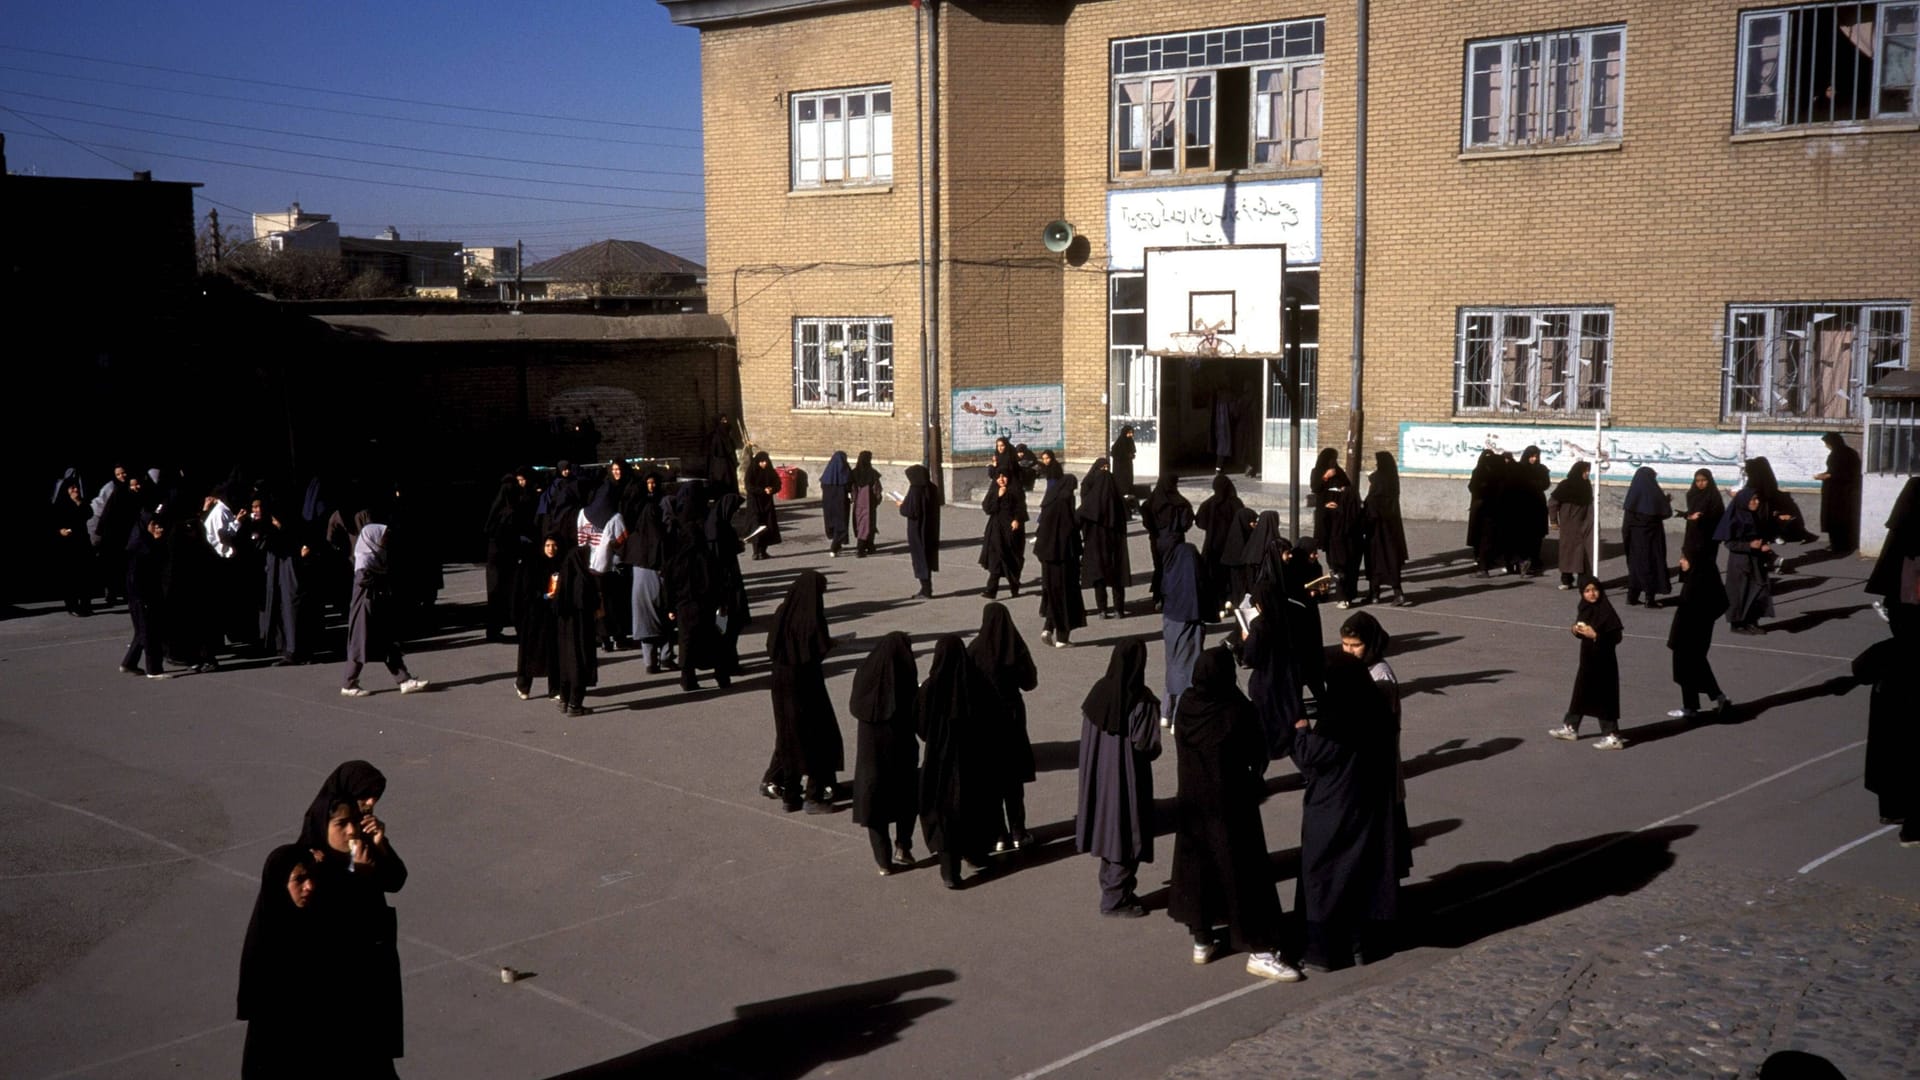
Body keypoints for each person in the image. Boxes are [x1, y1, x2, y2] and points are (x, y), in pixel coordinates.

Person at [1168, 645, 1300, 980]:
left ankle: (1202, 937)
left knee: (1200, 869)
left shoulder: (1187, 704)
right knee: (1244, 873)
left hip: (1193, 804)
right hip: (1231, 805)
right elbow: (1259, 750)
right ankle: (1259, 947)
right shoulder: (1235, 710)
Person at [1292, 653, 1404, 970]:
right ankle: (1358, 946)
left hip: (1333, 807)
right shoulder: (1375, 708)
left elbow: (1310, 759)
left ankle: (1322, 952)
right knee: (1356, 877)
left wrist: (1301, 731)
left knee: (1323, 878)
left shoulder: (1339, 720)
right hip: (1365, 804)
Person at [298, 781, 406, 1077]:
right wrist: (359, 878)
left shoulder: (359, 849)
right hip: (338, 1002)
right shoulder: (310, 870)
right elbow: (331, 929)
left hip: (370, 987)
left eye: (353, 823)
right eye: (341, 824)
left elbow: (396, 880)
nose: (351, 831)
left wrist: (380, 843)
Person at [1075, 640, 1162, 917]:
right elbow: (1146, 745)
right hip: (1128, 779)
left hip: (1101, 778)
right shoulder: (1142, 700)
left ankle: (1113, 888)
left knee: (1108, 830)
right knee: (1127, 832)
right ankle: (1115, 899)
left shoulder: (1099, 692)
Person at [916, 634, 1004, 888]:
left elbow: (920, 725)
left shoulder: (930, 688)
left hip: (939, 762)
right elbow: (994, 719)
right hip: (973, 761)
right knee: (974, 807)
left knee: (943, 812)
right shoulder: (978, 683)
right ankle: (975, 855)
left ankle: (949, 871)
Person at [236, 844, 327, 1080]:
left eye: (311, 877)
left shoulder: (311, 923)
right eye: (299, 880)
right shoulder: (266, 945)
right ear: (280, 884)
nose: (309, 886)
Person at [1858, 477, 1916, 844]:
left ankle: (1893, 808)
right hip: (1906, 664)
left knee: (1892, 744)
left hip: (1896, 672)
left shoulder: (1903, 549)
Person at [1339, 610, 1412, 880]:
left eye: (1355, 646)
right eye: (1345, 645)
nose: (1349, 651)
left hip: (1377, 769)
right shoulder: (1354, 670)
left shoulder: (1381, 677)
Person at [764, 570, 844, 812]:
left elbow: (771, 646)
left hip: (780, 683)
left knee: (789, 737)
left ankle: (790, 795)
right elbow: (817, 649)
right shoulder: (812, 617)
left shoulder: (782, 612)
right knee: (819, 738)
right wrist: (832, 645)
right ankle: (814, 796)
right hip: (807, 684)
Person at [968, 602, 1038, 853]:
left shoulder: (975, 649)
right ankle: (1019, 831)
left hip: (985, 722)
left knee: (992, 780)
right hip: (1012, 719)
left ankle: (998, 834)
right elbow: (1030, 682)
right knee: (1012, 780)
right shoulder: (1014, 647)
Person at [850, 631, 920, 874]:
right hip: (901, 751)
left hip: (870, 757)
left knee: (875, 807)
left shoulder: (864, 676)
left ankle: (883, 861)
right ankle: (904, 845)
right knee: (906, 800)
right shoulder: (904, 677)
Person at [340, 524, 428, 698]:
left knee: (384, 644)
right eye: (382, 537)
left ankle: (404, 680)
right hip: (366, 609)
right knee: (362, 644)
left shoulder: (374, 558)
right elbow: (363, 581)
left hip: (373, 608)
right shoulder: (365, 562)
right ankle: (349, 683)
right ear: (371, 539)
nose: (384, 540)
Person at [1547, 576, 1627, 749]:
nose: (1592, 594)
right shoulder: (1584, 607)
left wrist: (1597, 635)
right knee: (1581, 693)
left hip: (1604, 661)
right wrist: (1575, 630)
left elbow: (1616, 636)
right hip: (1588, 660)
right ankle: (1571, 727)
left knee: (1605, 697)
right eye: (1587, 591)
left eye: (1595, 590)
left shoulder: (1606, 610)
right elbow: (1582, 629)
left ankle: (1612, 735)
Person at [1241, 549, 1303, 757]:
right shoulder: (1285, 616)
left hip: (1266, 682)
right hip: (1287, 677)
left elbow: (1249, 657)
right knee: (1290, 720)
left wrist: (1245, 639)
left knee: (1265, 730)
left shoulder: (1259, 626)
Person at [1666, 549, 1733, 720]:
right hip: (1688, 632)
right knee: (1689, 667)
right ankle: (1692, 705)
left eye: (1684, 558)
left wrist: (1703, 618)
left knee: (1693, 666)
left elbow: (1720, 603)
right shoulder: (1696, 578)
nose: (1681, 562)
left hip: (1691, 633)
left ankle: (1716, 697)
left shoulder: (1700, 581)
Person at [1159, 539, 1210, 730]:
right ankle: (1180, 716)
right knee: (1188, 668)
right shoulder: (1193, 581)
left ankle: (1166, 711)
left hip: (1171, 619)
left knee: (1172, 665)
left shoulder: (1171, 577)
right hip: (1190, 620)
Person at [1033, 472, 1086, 648]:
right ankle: (1062, 638)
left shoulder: (1050, 504)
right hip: (1064, 561)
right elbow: (1070, 535)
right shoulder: (1065, 506)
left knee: (1053, 594)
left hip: (1048, 561)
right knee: (1065, 597)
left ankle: (1048, 628)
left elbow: (1041, 535)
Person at [483, 469, 536, 642]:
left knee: (496, 595)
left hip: (495, 559)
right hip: (505, 559)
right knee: (511, 595)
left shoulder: (497, 508)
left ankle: (493, 630)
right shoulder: (509, 511)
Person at [1717, 485, 1777, 634]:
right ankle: (1737, 623)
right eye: (1753, 499)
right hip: (1740, 562)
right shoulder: (1735, 519)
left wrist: (1762, 546)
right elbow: (1730, 543)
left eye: (1757, 499)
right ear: (1744, 501)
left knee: (1758, 590)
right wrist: (1749, 545)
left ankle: (1751, 620)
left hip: (1756, 560)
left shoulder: (1755, 516)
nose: (1756, 502)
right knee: (1740, 592)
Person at [120, 510, 172, 678]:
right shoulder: (141, 547)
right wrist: (142, 597)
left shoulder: (146, 543)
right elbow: (137, 576)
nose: (157, 528)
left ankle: (129, 662)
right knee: (150, 632)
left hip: (143, 596)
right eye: (153, 524)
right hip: (143, 596)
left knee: (143, 631)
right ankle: (154, 669)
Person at [1078, 456, 1132, 619]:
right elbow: (1125, 518)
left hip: (1096, 543)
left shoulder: (1091, 503)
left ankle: (1102, 609)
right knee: (1117, 576)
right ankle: (1118, 609)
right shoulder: (1117, 500)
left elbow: (1079, 519)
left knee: (1099, 576)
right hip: (1115, 544)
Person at [551, 542, 599, 716]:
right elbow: (593, 603)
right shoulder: (583, 580)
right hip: (581, 629)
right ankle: (575, 704)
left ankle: (564, 700)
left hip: (565, 630)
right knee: (580, 663)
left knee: (566, 665)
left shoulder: (565, 580)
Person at [1313, 452, 1366, 608]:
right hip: (1329, 516)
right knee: (1338, 558)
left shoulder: (1339, 472)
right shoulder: (1318, 472)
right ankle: (1342, 590)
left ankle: (1344, 592)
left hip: (1341, 513)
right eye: (1331, 459)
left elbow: (1348, 486)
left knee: (1341, 561)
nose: (1333, 462)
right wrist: (1325, 477)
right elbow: (1316, 487)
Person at [515, 534, 561, 701]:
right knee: (531, 652)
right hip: (535, 616)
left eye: (554, 545)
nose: (551, 549)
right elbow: (526, 592)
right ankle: (523, 685)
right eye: (548, 545)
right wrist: (543, 596)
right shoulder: (533, 565)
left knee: (553, 652)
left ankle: (555, 689)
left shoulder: (560, 564)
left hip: (552, 615)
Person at [1620, 466, 1674, 607]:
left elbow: (1626, 524)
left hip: (1635, 540)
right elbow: (1665, 513)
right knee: (1652, 565)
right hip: (1653, 539)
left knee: (1635, 567)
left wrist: (1627, 541)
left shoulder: (1633, 496)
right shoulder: (1655, 494)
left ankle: (1632, 597)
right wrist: (1666, 501)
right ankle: (1650, 599)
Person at [1363, 451, 1411, 606]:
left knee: (1374, 560)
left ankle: (1375, 594)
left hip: (1376, 531)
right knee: (1391, 561)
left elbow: (1371, 506)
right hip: (1392, 530)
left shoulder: (1378, 483)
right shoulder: (1392, 480)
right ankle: (1397, 592)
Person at [1142, 472, 1194, 609]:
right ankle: (1171, 596)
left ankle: (1158, 597)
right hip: (1175, 540)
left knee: (1159, 567)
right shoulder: (1181, 503)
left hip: (1157, 541)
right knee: (1173, 569)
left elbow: (1146, 521)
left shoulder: (1151, 502)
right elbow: (1186, 523)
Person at [1195, 473, 1245, 610]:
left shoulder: (1209, 504)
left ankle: (1216, 602)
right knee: (1229, 575)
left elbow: (1200, 522)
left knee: (1213, 574)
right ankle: (1229, 600)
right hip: (1231, 546)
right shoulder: (1235, 503)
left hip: (1213, 545)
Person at [978, 469, 1027, 599]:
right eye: (998, 477)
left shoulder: (1016, 490)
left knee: (1011, 558)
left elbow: (1021, 508)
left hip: (1011, 530)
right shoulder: (994, 490)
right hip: (996, 529)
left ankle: (1014, 586)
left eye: (1004, 476)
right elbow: (988, 508)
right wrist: (998, 496)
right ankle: (991, 590)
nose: (1001, 479)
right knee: (996, 557)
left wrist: (1017, 519)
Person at [52, 474, 96, 616]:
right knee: (71, 577)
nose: (75, 490)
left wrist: (78, 502)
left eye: (76, 487)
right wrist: (60, 530)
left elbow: (88, 514)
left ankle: (86, 604)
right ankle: (72, 605)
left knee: (86, 575)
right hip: (67, 546)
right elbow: (53, 523)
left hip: (82, 542)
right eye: (72, 488)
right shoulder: (60, 506)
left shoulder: (82, 503)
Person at [1547, 462, 1595, 589]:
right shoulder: (1565, 485)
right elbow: (1553, 503)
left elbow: (1590, 504)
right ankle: (1566, 580)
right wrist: (1553, 521)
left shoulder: (1586, 485)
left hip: (1585, 524)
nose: (1587, 473)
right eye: (1585, 471)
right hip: (1569, 525)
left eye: (1588, 471)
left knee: (1584, 553)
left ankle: (1583, 581)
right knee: (1568, 552)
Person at [899, 464, 942, 599]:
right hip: (930, 528)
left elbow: (908, 510)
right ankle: (927, 588)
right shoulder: (932, 488)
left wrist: (901, 505)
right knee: (927, 556)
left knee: (919, 557)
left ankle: (926, 589)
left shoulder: (915, 490)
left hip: (917, 529)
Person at [1815, 432, 1863, 555]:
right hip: (1847, 493)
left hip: (1836, 493)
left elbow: (1837, 472)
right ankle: (1845, 544)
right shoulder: (1850, 452)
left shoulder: (1837, 454)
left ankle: (1837, 545)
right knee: (1845, 519)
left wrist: (1824, 476)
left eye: (1827, 443)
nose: (1827, 446)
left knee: (1835, 519)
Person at [1512, 446, 1552, 577]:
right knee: (1522, 535)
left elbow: (1545, 484)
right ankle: (1522, 560)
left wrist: (1531, 484)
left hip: (1537, 505)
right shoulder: (1519, 468)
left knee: (1536, 535)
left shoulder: (1541, 469)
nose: (1534, 459)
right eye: (1532, 456)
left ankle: (1534, 559)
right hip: (1522, 506)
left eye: (1536, 456)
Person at [742, 451, 782, 561]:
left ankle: (763, 551)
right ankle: (756, 551)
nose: (764, 464)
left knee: (767, 526)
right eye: (762, 462)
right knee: (756, 526)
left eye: (766, 461)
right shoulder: (752, 471)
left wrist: (772, 489)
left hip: (767, 504)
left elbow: (778, 483)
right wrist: (762, 490)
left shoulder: (770, 471)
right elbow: (749, 486)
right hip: (755, 503)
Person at [1681, 469, 1726, 568]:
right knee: (1691, 561)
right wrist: (1688, 515)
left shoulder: (1714, 496)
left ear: (1709, 480)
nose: (1700, 483)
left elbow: (1718, 515)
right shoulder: (1691, 494)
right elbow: (1691, 512)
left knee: (1706, 563)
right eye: (1697, 481)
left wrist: (1702, 517)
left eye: (1704, 480)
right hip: (1693, 533)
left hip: (1708, 534)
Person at [1465, 449, 1499, 573]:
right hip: (1482, 508)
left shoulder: (1494, 472)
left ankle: (1484, 562)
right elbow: (1472, 487)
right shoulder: (1480, 471)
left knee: (1485, 536)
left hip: (1485, 508)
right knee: (1481, 536)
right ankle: (1482, 559)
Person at [849, 450, 884, 557]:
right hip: (870, 503)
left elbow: (852, 489)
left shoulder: (854, 473)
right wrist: (877, 500)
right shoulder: (872, 473)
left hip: (859, 504)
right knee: (869, 524)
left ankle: (869, 546)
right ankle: (862, 548)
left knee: (861, 524)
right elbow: (877, 490)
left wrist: (854, 499)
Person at [819, 449, 853, 557]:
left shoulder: (827, 473)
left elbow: (822, 485)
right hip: (841, 504)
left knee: (831, 523)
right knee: (841, 523)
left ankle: (836, 544)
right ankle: (834, 547)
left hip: (828, 504)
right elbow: (849, 485)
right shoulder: (845, 471)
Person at [707, 415, 741, 495]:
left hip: (728, 465)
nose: (726, 422)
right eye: (723, 420)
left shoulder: (727, 436)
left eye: (726, 420)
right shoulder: (715, 437)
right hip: (719, 467)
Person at [1110, 425, 1138, 516]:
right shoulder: (1119, 443)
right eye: (1129, 433)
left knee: (1128, 484)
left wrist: (1131, 456)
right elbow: (1115, 454)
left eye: (1131, 433)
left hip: (1128, 467)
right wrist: (1126, 456)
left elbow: (1133, 452)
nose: (1130, 435)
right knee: (1121, 485)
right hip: (1120, 469)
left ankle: (1129, 505)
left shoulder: (1130, 441)